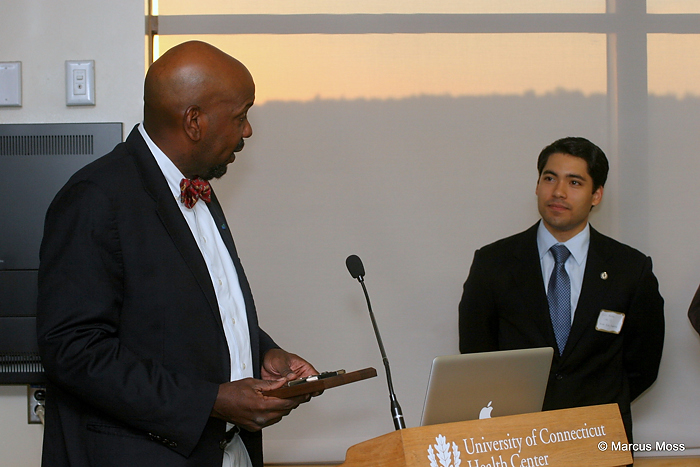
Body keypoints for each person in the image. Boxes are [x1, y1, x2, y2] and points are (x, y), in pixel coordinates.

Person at [36, 41, 319, 467]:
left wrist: (262, 354)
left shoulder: (197, 187)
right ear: (194, 121)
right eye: (240, 116)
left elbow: (197, 308)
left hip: (227, 451)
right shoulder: (95, 198)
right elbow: (74, 350)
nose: (247, 131)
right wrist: (212, 400)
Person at [458, 136, 664, 440]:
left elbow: (642, 365)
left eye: (575, 182)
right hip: (515, 437)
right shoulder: (493, 262)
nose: (558, 192)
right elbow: (476, 355)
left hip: (599, 436)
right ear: (537, 185)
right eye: (549, 178)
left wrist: (594, 405)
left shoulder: (630, 269)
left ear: (596, 195)